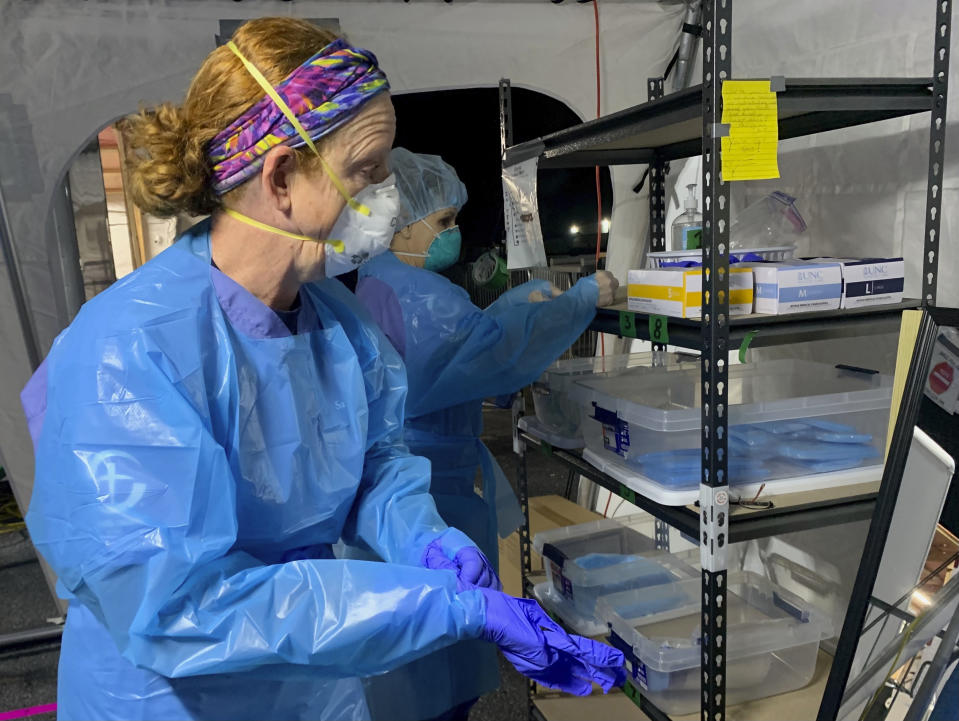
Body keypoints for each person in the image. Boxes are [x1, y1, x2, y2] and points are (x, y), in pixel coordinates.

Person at [20, 18, 624, 721]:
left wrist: (423, 538)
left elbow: (374, 467)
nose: (385, 197)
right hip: (170, 700)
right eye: (367, 172)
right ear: (279, 175)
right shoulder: (126, 351)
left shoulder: (339, 322)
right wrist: (441, 606)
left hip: (310, 687)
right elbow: (176, 608)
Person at [355, 148, 619, 720]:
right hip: (431, 492)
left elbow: (463, 345)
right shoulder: (418, 293)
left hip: (408, 490)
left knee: (418, 659)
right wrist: (582, 298)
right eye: (443, 221)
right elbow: (493, 351)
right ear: (400, 221)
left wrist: (509, 305)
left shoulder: (379, 280)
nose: (453, 233)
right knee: (443, 659)